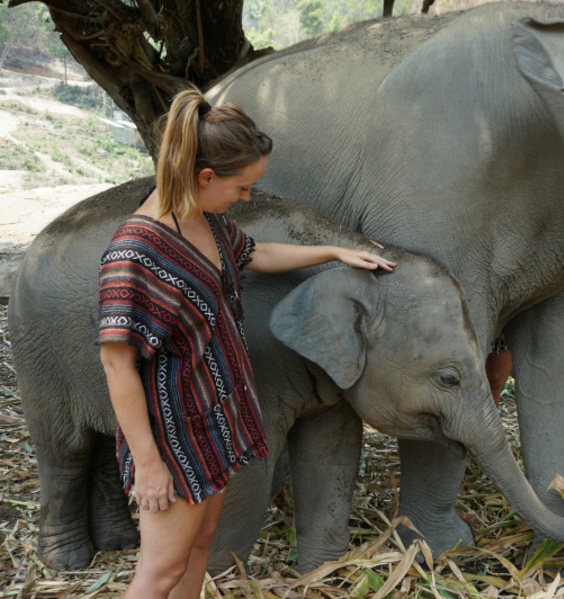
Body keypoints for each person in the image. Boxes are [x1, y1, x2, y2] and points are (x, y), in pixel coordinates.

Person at [97, 88, 395, 599]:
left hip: (217, 419)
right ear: (205, 177)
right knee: (159, 573)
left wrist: (335, 251)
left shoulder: (204, 221)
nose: (247, 198)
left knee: (199, 549)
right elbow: (116, 363)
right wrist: (147, 465)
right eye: (243, 187)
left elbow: (255, 253)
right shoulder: (135, 252)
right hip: (174, 439)